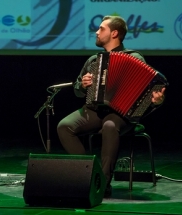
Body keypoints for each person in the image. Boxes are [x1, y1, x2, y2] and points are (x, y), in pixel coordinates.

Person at [56, 15, 165, 198]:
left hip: (122, 115)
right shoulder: (92, 60)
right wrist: (82, 85)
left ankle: (103, 183)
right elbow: (77, 90)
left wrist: (157, 100)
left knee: (109, 126)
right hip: (94, 110)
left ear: (114, 33)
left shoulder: (134, 57)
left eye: (101, 29)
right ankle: (89, 174)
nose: (97, 32)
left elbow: (147, 91)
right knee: (64, 126)